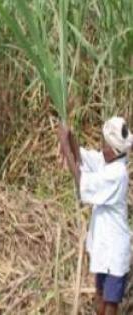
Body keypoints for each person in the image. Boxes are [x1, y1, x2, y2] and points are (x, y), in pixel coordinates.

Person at [57, 117, 132, 315]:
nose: (101, 147)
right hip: (103, 246)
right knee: (99, 294)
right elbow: (83, 157)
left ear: (114, 150)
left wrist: (65, 146)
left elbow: (82, 181)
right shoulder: (107, 161)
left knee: (110, 303)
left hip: (114, 250)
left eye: (104, 144)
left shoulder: (117, 174)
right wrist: (70, 136)